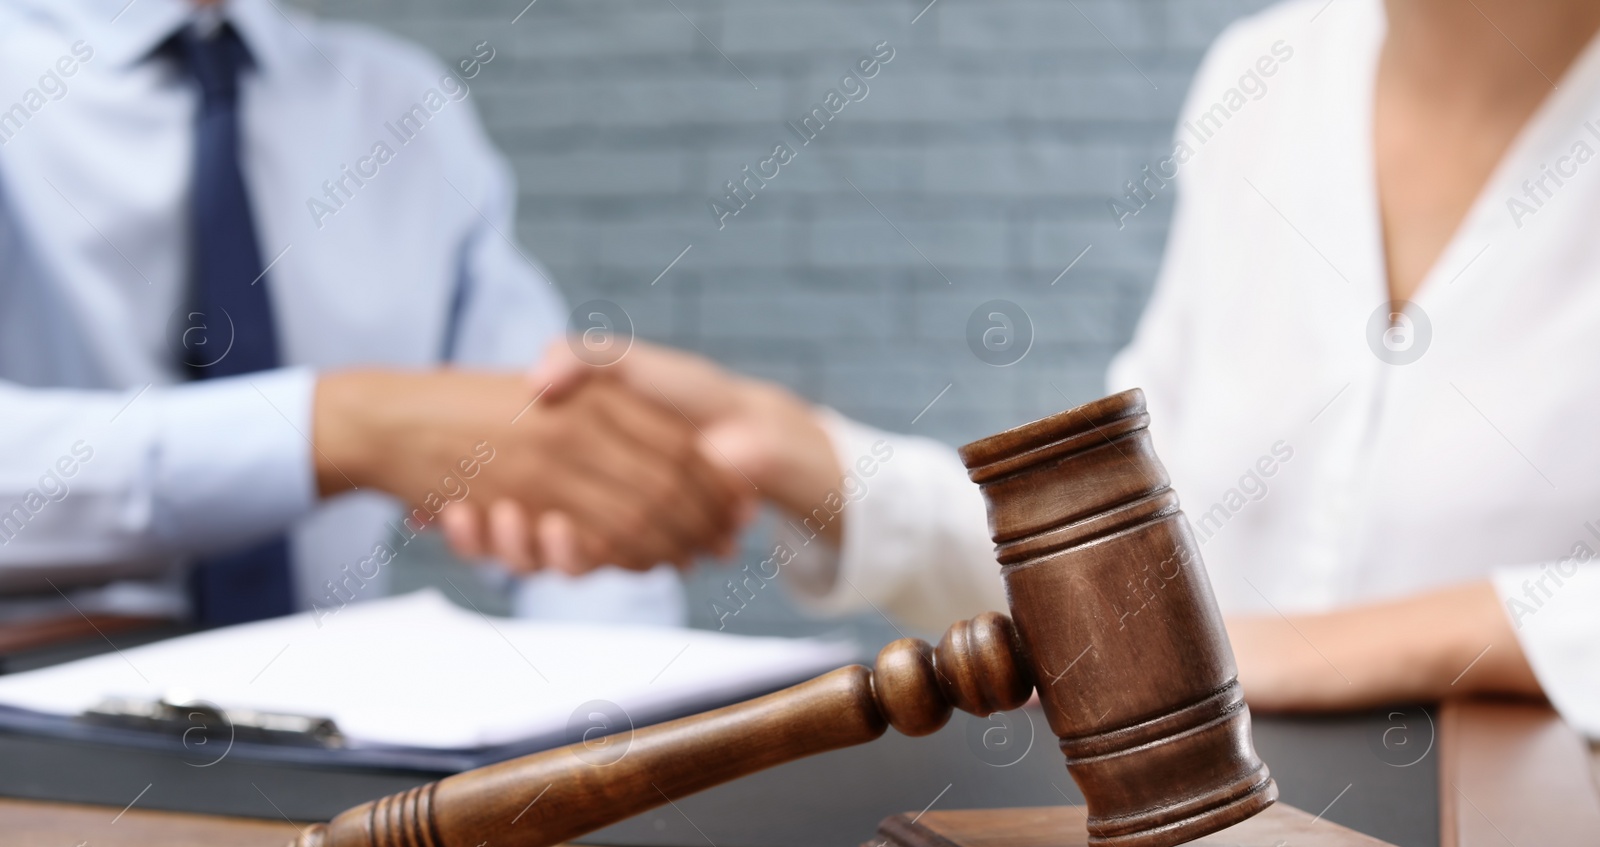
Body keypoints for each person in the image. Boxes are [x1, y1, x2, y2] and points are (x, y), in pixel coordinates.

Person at [508, 0, 1600, 738]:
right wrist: (810, 456)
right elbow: (1137, 565)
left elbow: (1208, 647)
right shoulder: (1267, 83)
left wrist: (1449, 634)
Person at [0, 0, 743, 630]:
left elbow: (548, 450)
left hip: (339, 757)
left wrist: (615, 728)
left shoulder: (401, 104)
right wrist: (338, 427)